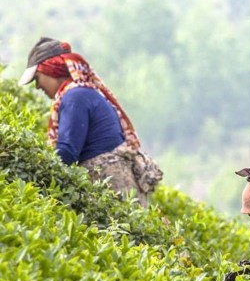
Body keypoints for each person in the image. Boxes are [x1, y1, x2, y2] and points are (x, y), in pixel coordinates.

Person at [18, 36, 163, 206]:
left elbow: (66, 153)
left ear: (51, 70)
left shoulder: (75, 97)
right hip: (118, 182)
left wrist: (32, 178)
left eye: (37, 79)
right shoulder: (82, 93)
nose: (37, 87)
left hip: (110, 182)